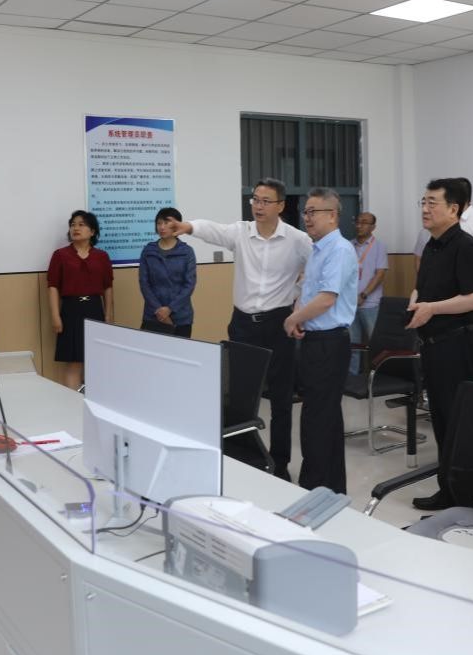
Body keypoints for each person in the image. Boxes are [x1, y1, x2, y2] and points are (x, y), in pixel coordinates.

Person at [164, 178, 310, 481]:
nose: (258, 206)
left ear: (281, 205)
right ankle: (243, 457)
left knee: (281, 399)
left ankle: (280, 464)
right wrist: (188, 227)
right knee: (239, 397)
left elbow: (318, 269)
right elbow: (213, 229)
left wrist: (300, 299)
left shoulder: (297, 240)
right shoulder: (241, 232)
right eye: (255, 199)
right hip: (243, 323)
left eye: (266, 201)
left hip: (279, 324)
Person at [408, 179, 473, 511]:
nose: (425, 209)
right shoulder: (432, 245)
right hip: (433, 346)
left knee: (459, 422)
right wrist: (416, 302)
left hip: (457, 347)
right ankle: (449, 490)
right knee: (441, 419)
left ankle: (465, 495)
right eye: (423, 202)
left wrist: (432, 309)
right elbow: (422, 286)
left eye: (432, 203)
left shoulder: (465, 246)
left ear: (453, 209)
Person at [284, 188, 358, 493]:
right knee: (323, 416)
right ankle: (331, 487)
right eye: (305, 212)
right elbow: (309, 293)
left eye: (313, 212)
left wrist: (292, 320)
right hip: (315, 340)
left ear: (332, 215)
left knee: (318, 418)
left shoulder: (339, 249)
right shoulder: (317, 250)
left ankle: (314, 486)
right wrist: (299, 314)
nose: (307, 217)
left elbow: (327, 299)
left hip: (330, 343)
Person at [47, 210, 114, 391]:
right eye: (73, 225)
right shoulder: (60, 255)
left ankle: (94, 400)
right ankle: (73, 402)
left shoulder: (101, 256)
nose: (75, 228)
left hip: (94, 308)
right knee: (74, 361)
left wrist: (108, 315)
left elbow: (108, 287)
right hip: (71, 310)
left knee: (95, 359)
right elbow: (53, 287)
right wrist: (55, 316)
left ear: (92, 231)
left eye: (81, 225)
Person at [138, 207, 197, 337]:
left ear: (177, 225)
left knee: (180, 349)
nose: (162, 227)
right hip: (153, 314)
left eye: (166, 223)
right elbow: (144, 283)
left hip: (181, 316)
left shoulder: (186, 252)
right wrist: (158, 309)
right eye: (159, 223)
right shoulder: (148, 250)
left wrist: (170, 309)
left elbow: (189, 285)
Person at [348, 211, 389, 375]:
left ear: (373, 227)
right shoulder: (348, 245)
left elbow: (380, 274)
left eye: (364, 222)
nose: (359, 225)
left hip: (371, 304)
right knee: (352, 344)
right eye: (358, 222)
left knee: (376, 343)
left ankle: (379, 377)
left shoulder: (379, 246)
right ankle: (352, 377)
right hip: (350, 304)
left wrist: (364, 295)